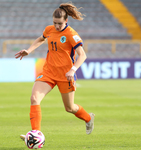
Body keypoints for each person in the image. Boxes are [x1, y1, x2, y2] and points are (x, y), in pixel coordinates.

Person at [15, 2, 95, 140]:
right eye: (54, 23)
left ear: (66, 21)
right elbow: (41, 39)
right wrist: (28, 50)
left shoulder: (71, 34)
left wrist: (72, 70)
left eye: (59, 23)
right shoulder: (49, 29)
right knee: (34, 99)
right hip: (48, 72)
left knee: (70, 108)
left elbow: (83, 55)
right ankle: (36, 135)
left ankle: (88, 118)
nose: (57, 26)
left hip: (66, 76)